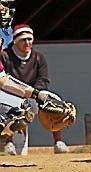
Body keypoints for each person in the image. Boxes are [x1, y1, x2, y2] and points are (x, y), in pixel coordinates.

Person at [1, 24, 70, 154]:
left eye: (30, 39)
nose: (27, 42)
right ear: (14, 40)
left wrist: (36, 93)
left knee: (54, 101)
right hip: (12, 95)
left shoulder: (38, 57)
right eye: (23, 39)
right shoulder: (5, 56)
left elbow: (43, 79)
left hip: (33, 93)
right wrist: (20, 94)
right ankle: (9, 142)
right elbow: (4, 81)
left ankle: (58, 142)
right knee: (8, 106)